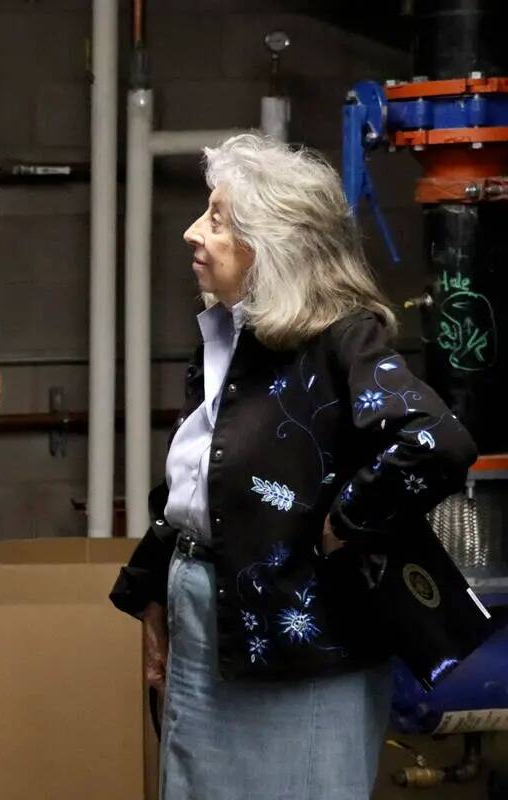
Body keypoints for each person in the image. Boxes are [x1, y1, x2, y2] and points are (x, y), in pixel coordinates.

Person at [109, 133, 476, 798]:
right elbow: (202, 483)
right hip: (209, 621)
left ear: (273, 243)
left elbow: (437, 440)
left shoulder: (342, 338)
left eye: (217, 219)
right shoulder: (233, 336)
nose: (194, 233)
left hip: (303, 648)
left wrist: (346, 521)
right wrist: (151, 589)